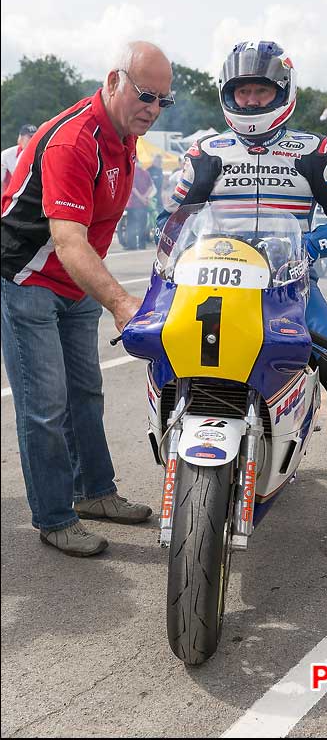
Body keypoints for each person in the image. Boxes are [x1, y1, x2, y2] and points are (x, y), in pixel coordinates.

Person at [157, 40, 327, 556]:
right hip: (211, 285)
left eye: (260, 89)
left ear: (282, 91)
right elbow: (169, 221)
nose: (250, 99)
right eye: (241, 90)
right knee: (164, 359)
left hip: (290, 291)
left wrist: (308, 244)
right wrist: (174, 247)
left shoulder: (314, 151)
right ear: (227, 94)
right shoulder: (205, 153)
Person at [1, 40, 174, 557]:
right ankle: (54, 517)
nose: (153, 108)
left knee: (86, 393)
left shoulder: (125, 134)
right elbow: (69, 239)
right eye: (146, 94)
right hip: (27, 280)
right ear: (114, 80)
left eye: (164, 100)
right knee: (44, 406)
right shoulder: (74, 141)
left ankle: (94, 492)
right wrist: (123, 304)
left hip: (76, 282)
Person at [125, 160, 155, 249]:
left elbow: (133, 188)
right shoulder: (145, 173)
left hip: (133, 204)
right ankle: (142, 245)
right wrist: (144, 198)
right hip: (143, 204)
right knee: (142, 225)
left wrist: (142, 198)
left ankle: (132, 245)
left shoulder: (133, 172)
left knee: (131, 225)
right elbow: (151, 187)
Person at [1, 124, 37, 195]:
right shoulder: (7, 155)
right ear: (20, 138)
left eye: (35, 137)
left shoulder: (39, 155)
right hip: (9, 196)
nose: (32, 140)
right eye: (30, 137)